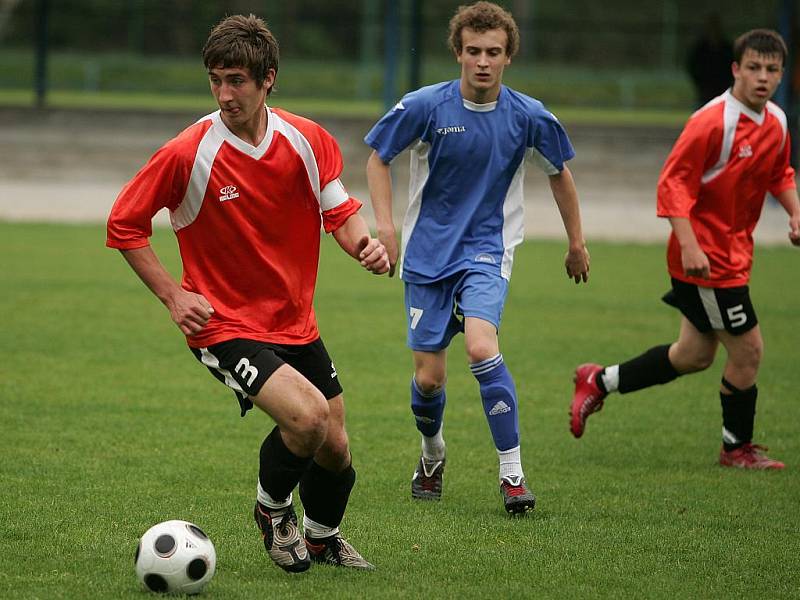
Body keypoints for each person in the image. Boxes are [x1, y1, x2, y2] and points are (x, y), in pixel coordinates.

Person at [107, 14, 389, 572]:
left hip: (294, 321)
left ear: (269, 80)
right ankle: (272, 509)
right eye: (216, 80)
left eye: (237, 80)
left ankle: (322, 537)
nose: (225, 93)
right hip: (223, 324)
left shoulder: (307, 141)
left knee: (334, 445)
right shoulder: (188, 152)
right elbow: (124, 224)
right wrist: (172, 297)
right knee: (307, 420)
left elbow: (340, 211)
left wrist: (365, 246)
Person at [364, 1, 590, 514]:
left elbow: (560, 172)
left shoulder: (530, 116)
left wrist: (576, 242)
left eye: (493, 52)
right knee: (429, 379)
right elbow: (378, 157)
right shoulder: (426, 106)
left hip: (488, 250)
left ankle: (512, 475)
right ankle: (432, 451)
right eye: (473, 52)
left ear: (509, 56)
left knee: (482, 348)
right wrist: (384, 226)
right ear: (458, 53)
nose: (482, 61)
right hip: (426, 256)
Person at [571, 29, 800, 470]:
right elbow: (673, 185)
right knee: (749, 351)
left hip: (734, 257)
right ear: (735, 69)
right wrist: (692, 246)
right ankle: (736, 449)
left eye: (771, 70)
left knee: (693, 355)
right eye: (753, 67)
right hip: (706, 261)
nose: (762, 77)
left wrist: (794, 212)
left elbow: (780, 173)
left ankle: (597, 381)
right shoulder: (712, 122)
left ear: (781, 74)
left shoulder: (777, 121)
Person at [687, 13, 734, 107]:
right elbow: (692, 66)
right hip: (704, 90)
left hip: (723, 88)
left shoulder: (727, 48)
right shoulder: (700, 49)